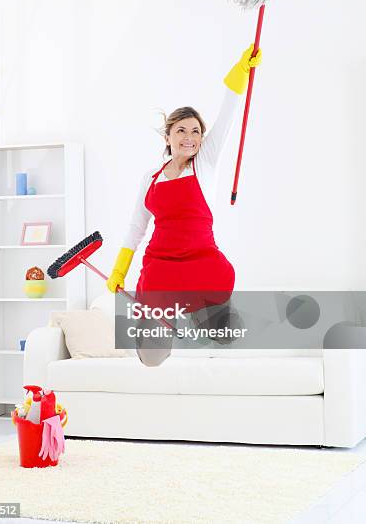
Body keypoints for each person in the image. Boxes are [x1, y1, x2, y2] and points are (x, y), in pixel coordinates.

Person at [107, 44, 262, 365]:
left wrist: (240, 73)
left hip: (200, 264)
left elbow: (228, 115)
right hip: (160, 268)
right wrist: (120, 268)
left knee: (225, 335)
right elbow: (136, 227)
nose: (189, 137)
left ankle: (203, 321)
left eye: (195, 131)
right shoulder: (150, 177)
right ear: (167, 137)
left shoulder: (205, 163)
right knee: (151, 358)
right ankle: (162, 331)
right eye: (181, 131)